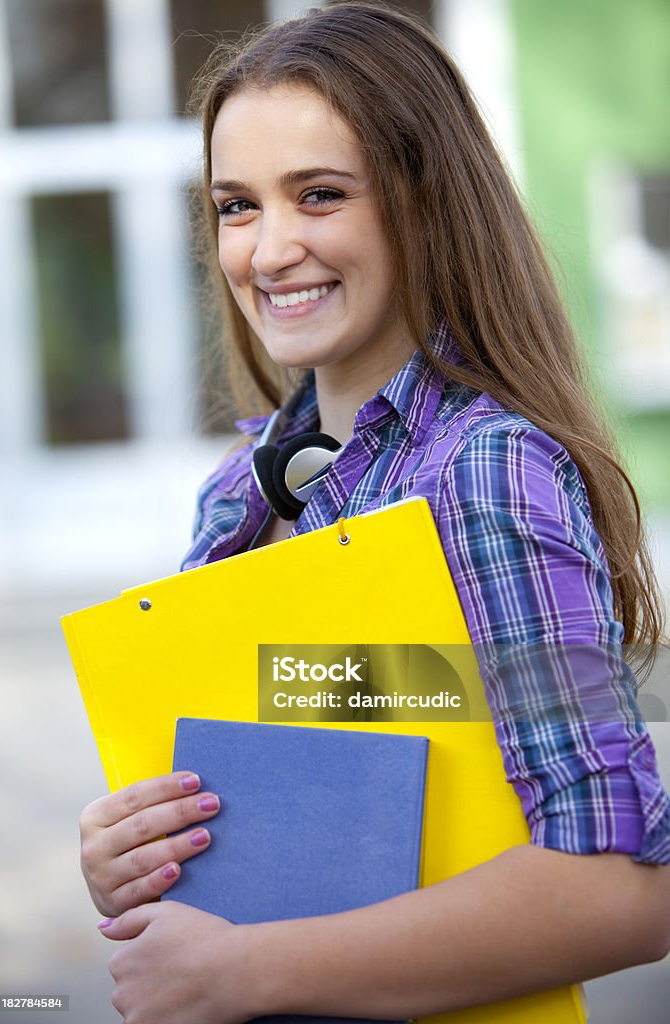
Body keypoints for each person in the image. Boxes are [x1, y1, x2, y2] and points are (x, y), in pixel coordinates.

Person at [79, 4, 670, 1022]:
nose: (269, 250)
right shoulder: (233, 496)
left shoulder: (488, 472)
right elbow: (301, 778)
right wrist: (136, 852)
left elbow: (623, 882)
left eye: (318, 195)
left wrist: (245, 970)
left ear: (422, 202)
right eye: (236, 206)